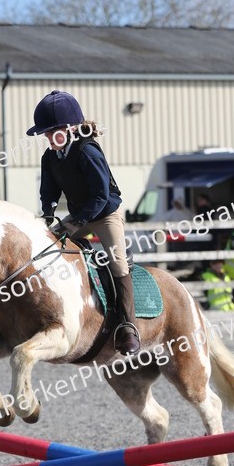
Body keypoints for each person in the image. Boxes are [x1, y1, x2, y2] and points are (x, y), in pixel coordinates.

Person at [26, 89, 140, 355]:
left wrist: (74, 223)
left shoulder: (88, 151)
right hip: (79, 216)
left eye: (49, 132)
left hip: (105, 214)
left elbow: (101, 196)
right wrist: (49, 215)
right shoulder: (50, 157)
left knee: (117, 262)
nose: (46, 138)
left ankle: (128, 326)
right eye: (45, 133)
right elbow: (48, 192)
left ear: (67, 129)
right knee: (48, 246)